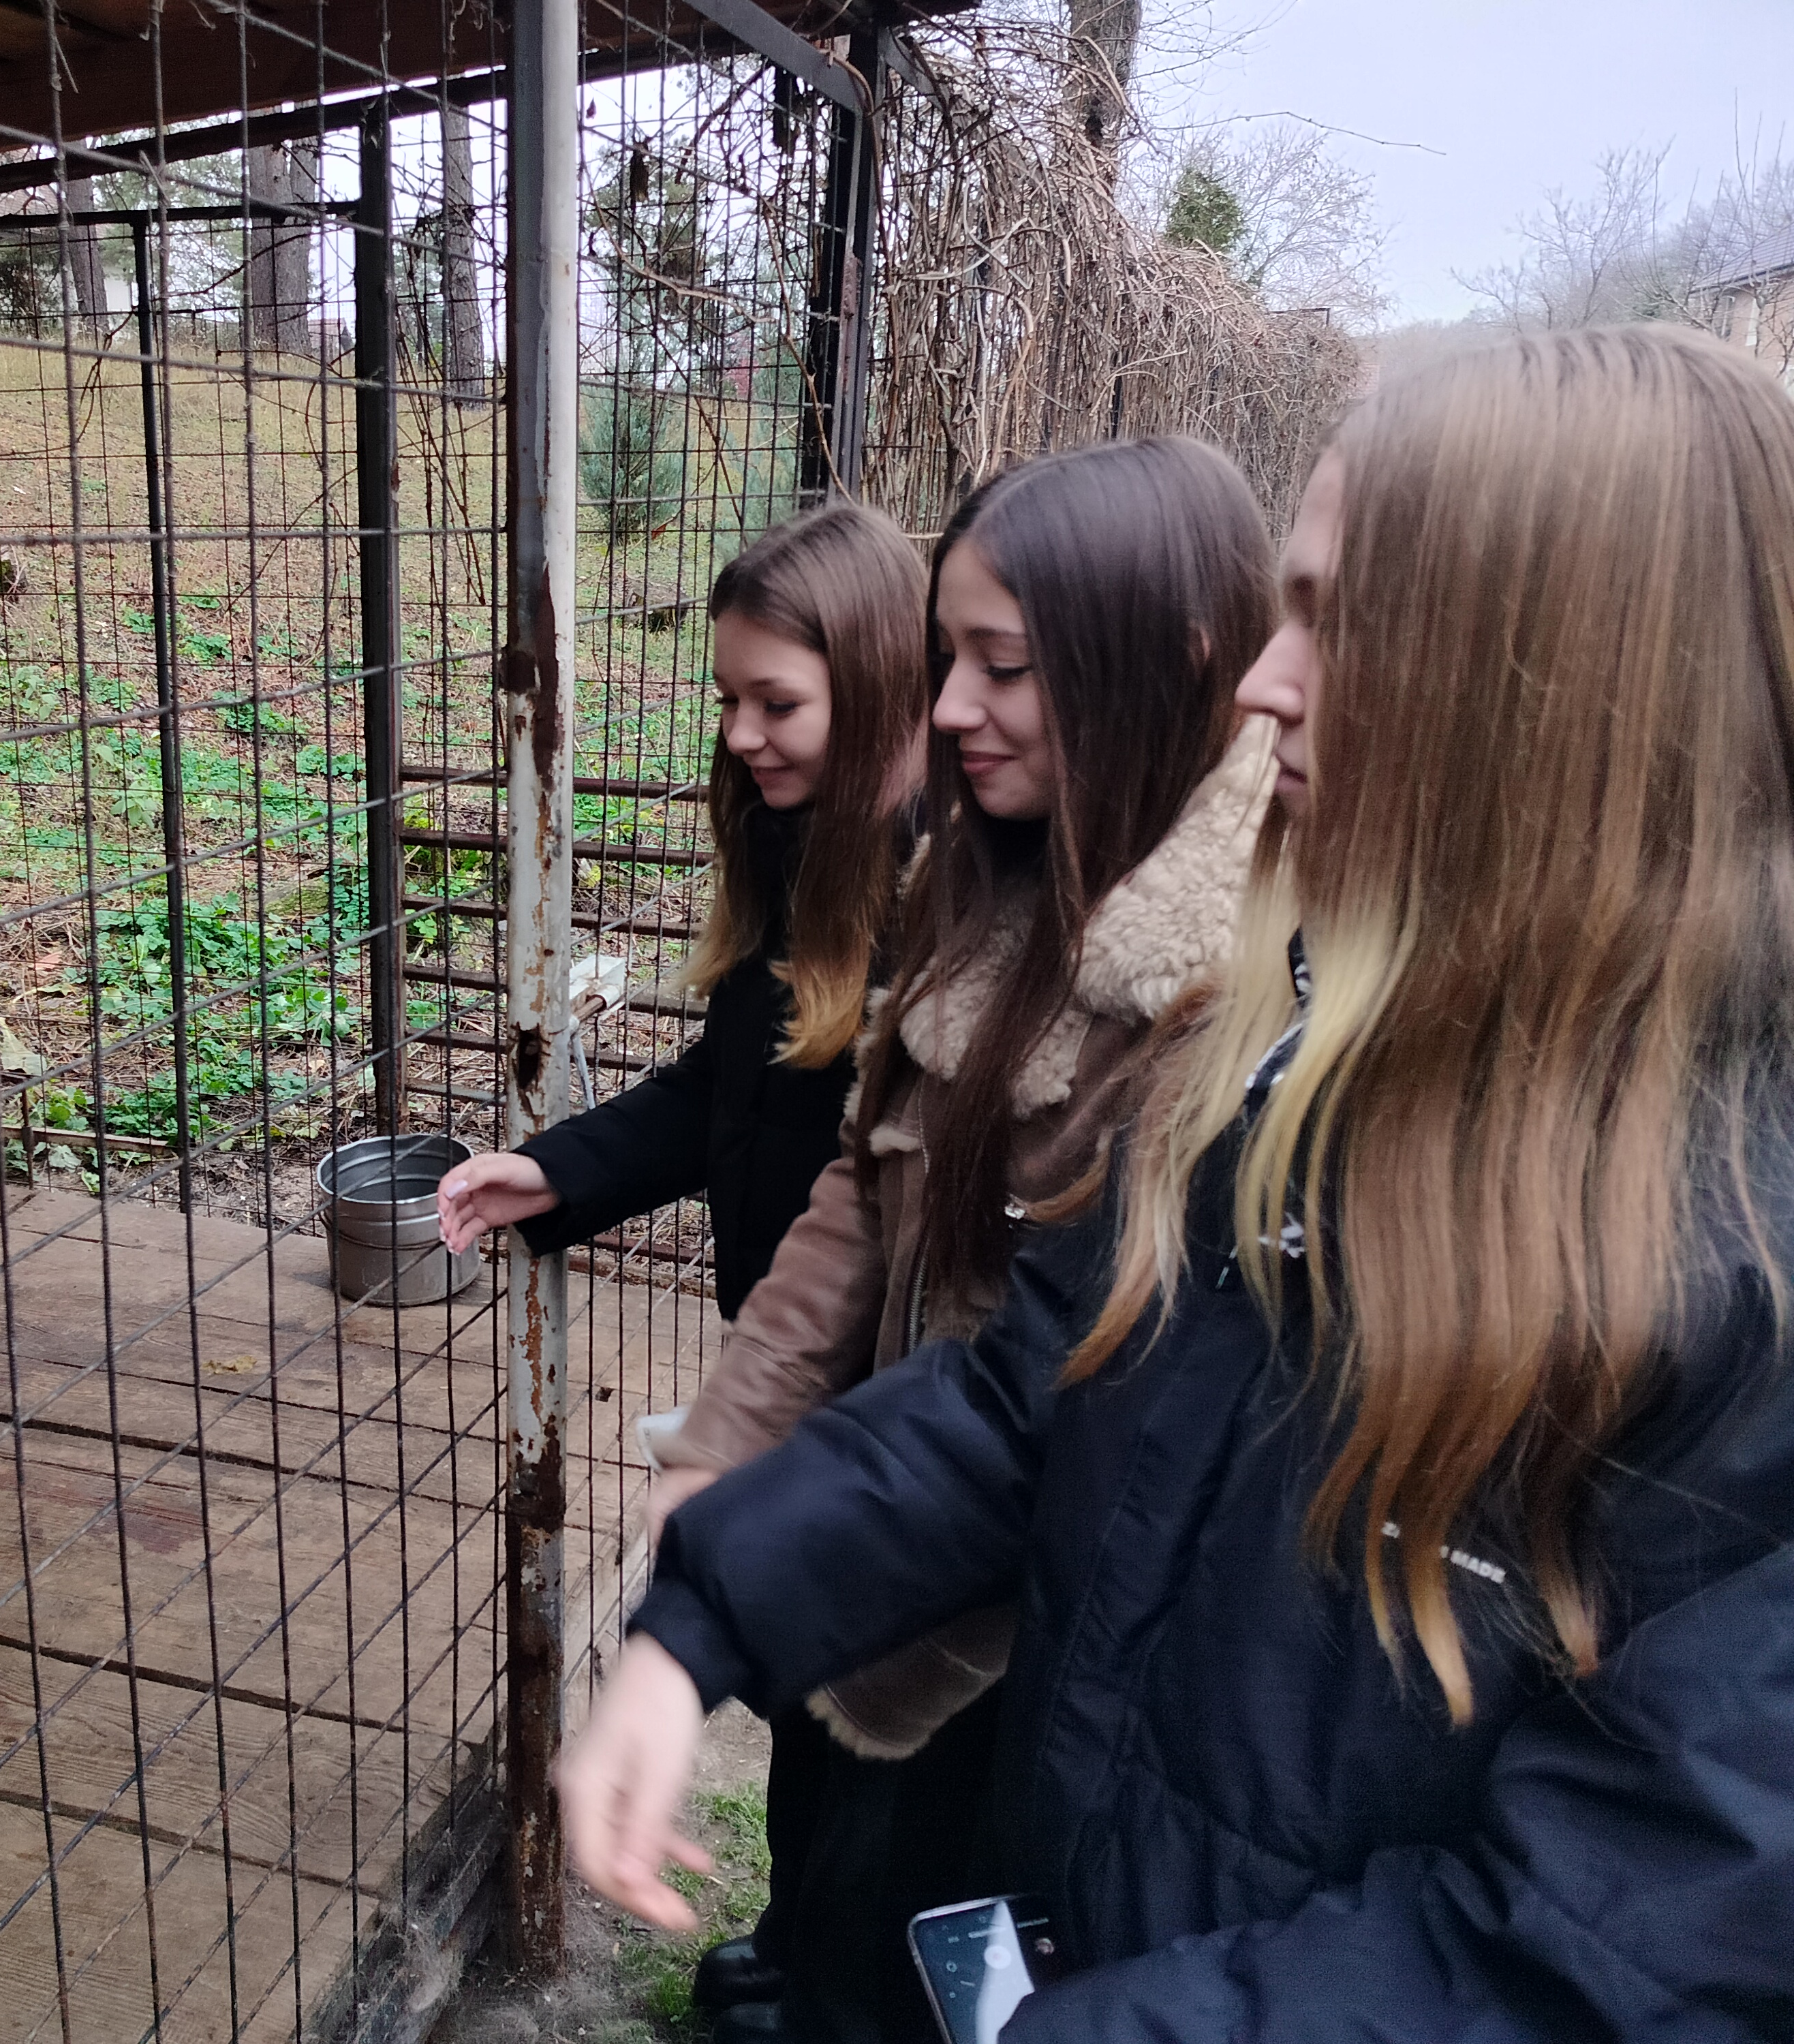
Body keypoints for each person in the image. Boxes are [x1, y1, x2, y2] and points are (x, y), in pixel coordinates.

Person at [559, 324, 1794, 2043]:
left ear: (1558, 694)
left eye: (1337, 623)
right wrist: (707, 1607)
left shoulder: (1739, 1287)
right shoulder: (1308, 1068)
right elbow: (1039, 1392)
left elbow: (1610, 1949)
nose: (1269, 688)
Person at [647, 437, 1278, 2044]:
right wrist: (723, 1455)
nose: (941, 710)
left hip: (1029, 1633)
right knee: (833, 1856)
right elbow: (862, 1187)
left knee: (934, 1931)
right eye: (946, 659)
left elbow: (1062, 1387)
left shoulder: (1234, 993)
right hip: (888, 1512)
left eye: (1000, 666)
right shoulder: (974, 876)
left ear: (1163, 659)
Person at [436, 499, 928, 2024]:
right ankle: (793, 1953)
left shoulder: (938, 893)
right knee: (812, 1719)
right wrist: (558, 1169)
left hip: (893, 1399)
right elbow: (727, 1090)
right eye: (728, 699)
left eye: (775, 702)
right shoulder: (798, 847)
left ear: (880, 688)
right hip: (799, 1379)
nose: (738, 736)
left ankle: (828, 1983)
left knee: (880, 1753)